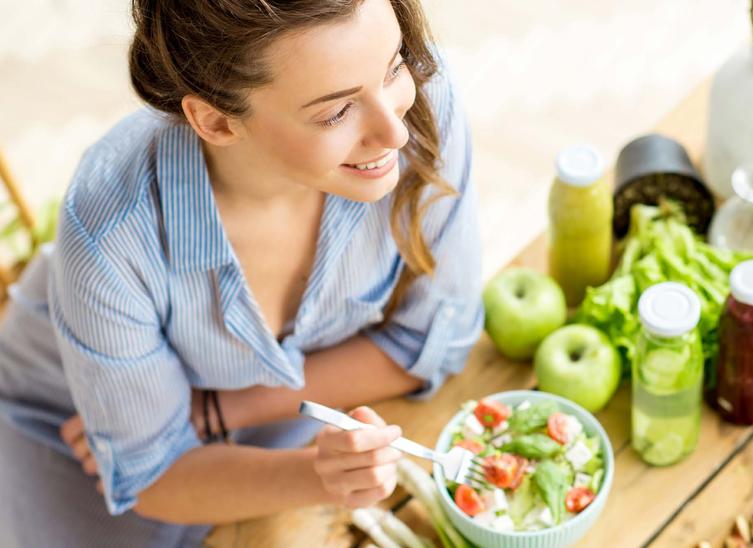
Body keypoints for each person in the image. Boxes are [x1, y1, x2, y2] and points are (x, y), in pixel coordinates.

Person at [0, 0, 483, 545]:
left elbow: (437, 340)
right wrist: (320, 475)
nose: (394, 132)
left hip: (261, 419)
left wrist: (217, 410)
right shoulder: (110, 228)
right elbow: (154, 473)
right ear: (215, 120)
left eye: (393, 65)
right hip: (69, 432)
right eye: (335, 112)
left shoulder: (420, 107)